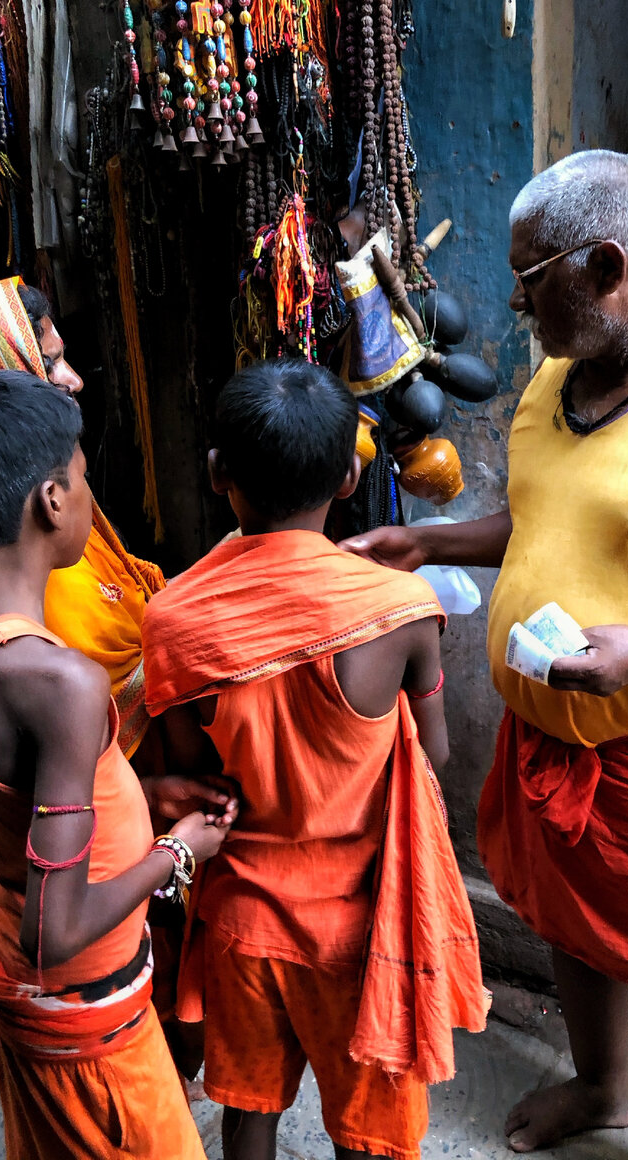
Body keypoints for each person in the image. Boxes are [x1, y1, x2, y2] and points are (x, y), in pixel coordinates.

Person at [342, 150, 628, 1160]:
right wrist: (427, 540)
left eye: (530, 281)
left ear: (602, 265)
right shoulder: (553, 384)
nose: (512, 306)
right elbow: (540, 519)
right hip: (551, 736)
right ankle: (601, 1089)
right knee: (568, 923)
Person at [141, 360, 487, 1160]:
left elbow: (198, 781)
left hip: (243, 912)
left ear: (217, 473)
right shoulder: (402, 611)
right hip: (363, 925)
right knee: (369, 1133)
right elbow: (428, 754)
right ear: (350, 474)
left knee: (248, 1110)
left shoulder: (175, 620)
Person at [0, 367, 235, 1159]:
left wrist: (143, 793)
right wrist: (178, 850)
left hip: (11, 969)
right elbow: (57, 931)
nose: (91, 499)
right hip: (84, 1002)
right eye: (85, 480)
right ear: (51, 501)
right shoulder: (61, 683)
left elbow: (6, 788)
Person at [0, 279, 167, 897]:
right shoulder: (41, 605)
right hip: (94, 896)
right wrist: (176, 853)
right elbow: (57, 926)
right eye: (47, 363)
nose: (71, 378)